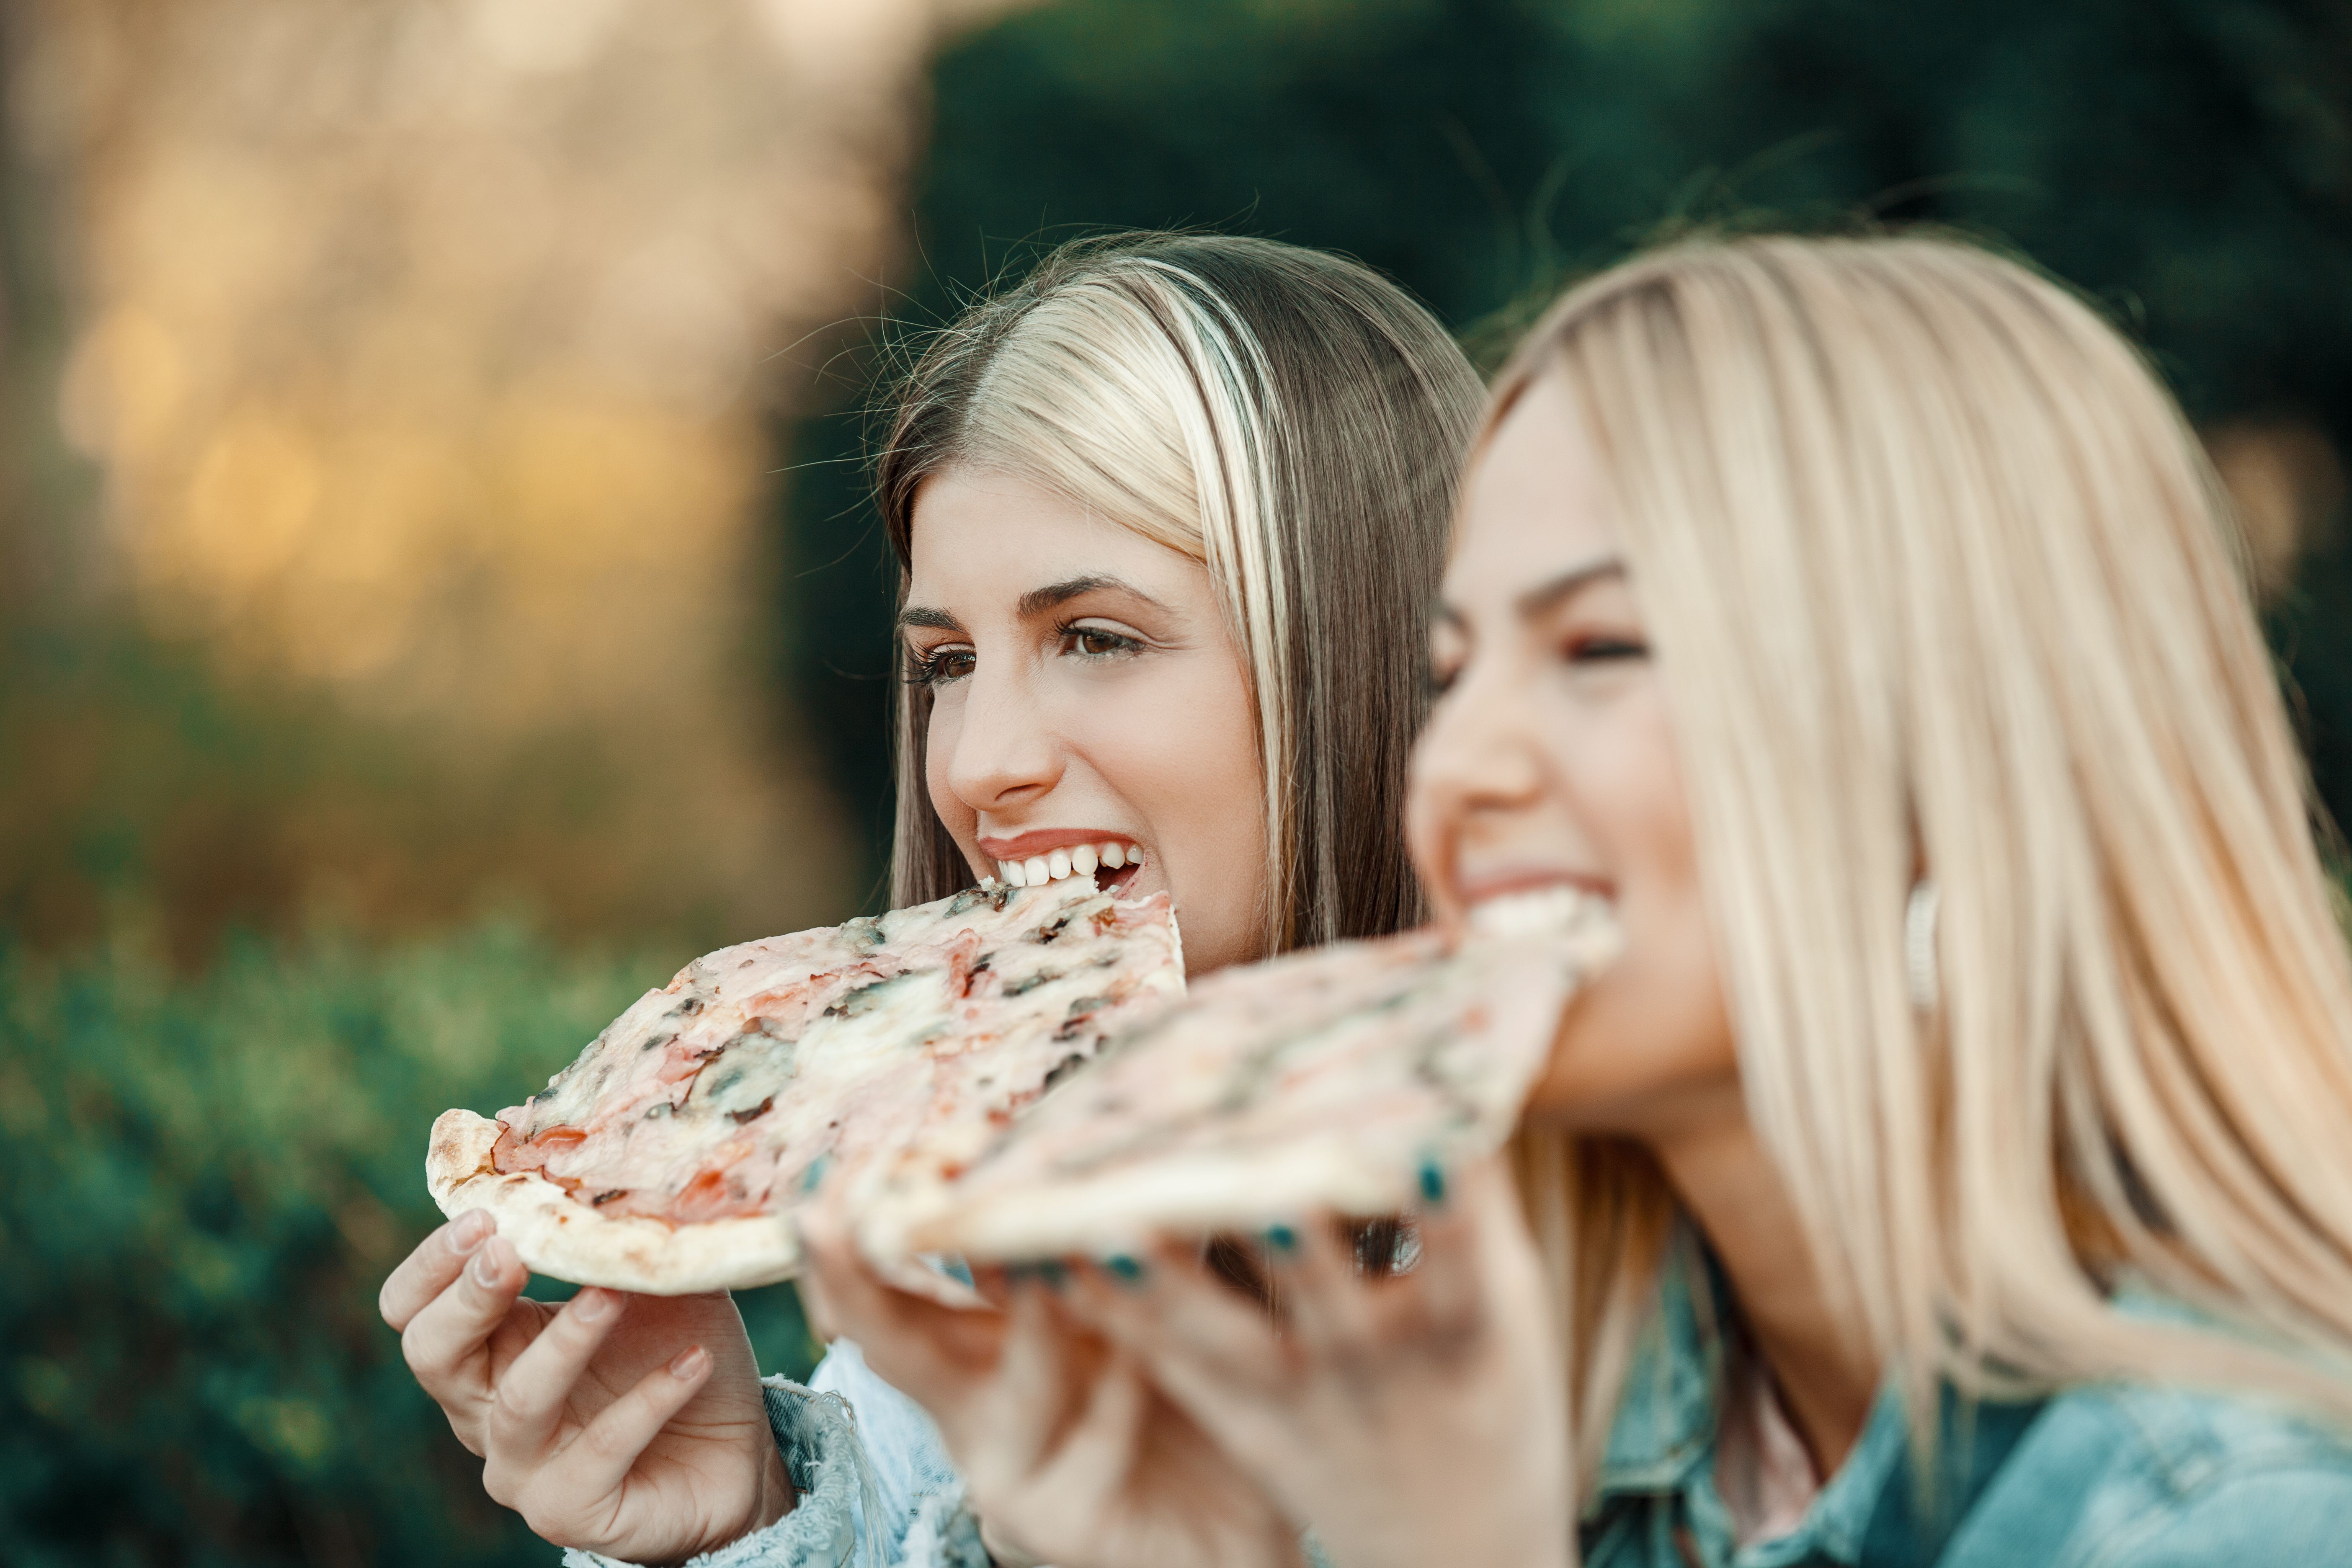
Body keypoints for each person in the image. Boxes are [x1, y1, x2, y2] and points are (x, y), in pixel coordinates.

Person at [811, 232, 2352, 1568]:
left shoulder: (2229, 1519)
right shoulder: (1615, 1404)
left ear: (1966, 758)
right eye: (1454, 670)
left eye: (1599, 650)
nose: (1458, 762)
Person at [374, 230, 1486, 1567]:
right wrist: (751, 1528)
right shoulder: (955, 1290)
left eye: (1094, 638)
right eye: (948, 662)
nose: (977, 764)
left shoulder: (1610, 1309)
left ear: (1363, 664)